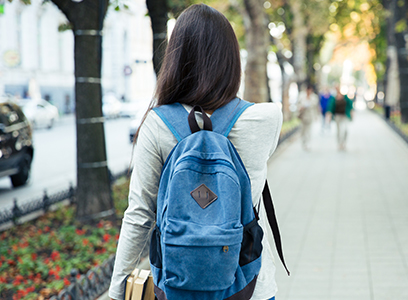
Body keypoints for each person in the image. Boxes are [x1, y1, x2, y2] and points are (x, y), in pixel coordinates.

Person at [108, 4, 282, 300]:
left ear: (176, 57)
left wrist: (116, 291)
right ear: (231, 60)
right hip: (248, 286)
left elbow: (139, 213)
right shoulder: (266, 118)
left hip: (178, 286)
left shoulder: (157, 123)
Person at [326, 86, 353, 151]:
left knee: (345, 130)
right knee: (339, 131)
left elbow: (350, 106)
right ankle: (339, 143)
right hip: (337, 116)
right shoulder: (334, 98)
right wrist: (329, 116)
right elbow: (330, 107)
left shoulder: (346, 98)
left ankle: (343, 142)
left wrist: (352, 115)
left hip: (345, 116)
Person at [297, 85, 319, 150]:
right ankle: (303, 142)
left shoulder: (314, 97)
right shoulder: (301, 96)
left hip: (310, 116)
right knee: (303, 130)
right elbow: (298, 105)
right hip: (303, 116)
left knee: (309, 130)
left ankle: (308, 143)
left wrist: (316, 116)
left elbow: (315, 107)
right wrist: (300, 107)